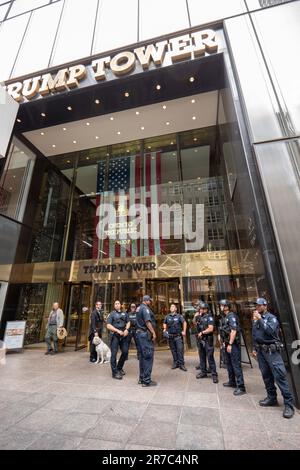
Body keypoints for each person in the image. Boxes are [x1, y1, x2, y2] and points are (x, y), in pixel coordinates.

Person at [252, 298, 294, 419]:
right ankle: (271, 398)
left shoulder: (271, 318)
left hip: (272, 352)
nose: (257, 308)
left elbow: (270, 331)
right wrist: (254, 348)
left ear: (265, 306)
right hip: (261, 351)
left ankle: (289, 405)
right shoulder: (256, 319)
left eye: (260, 306)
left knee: (279, 376)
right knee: (266, 376)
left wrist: (259, 319)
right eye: (257, 306)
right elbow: (255, 333)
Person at [219, 299, 246, 395]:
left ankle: (241, 387)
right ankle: (232, 381)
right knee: (229, 364)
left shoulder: (231, 316)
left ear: (226, 306)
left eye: (222, 305)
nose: (221, 307)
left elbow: (233, 331)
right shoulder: (224, 316)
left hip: (233, 345)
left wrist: (230, 344)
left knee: (236, 365)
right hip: (226, 343)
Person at [194, 301, 218, 383]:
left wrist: (202, 332)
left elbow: (211, 328)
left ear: (206, 309)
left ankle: (214, 374)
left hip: (208, 340)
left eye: (203, 309)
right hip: (200, 340)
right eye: (200, 308)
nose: (201, 310)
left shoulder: (209, 317)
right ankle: (203, 372)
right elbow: (194, 323)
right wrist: (195, 316)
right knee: (202, 357)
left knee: (210, 357)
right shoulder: (199, 317)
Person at [136, 295, 157, 387]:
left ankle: (142, 378)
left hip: (140, 335)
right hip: (144, 335)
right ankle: (146, 380)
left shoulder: (139, 308)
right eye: (150, 300)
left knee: (142, 357)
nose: (150, 302)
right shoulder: (145, 309)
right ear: (146, 301)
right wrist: (153, 332)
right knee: (148, 356)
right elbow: (147, 322)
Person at [106, 300, 130, 379]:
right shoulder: (111, 314)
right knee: (114, 354)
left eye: (118, 303)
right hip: (115, 336)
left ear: (120, 305)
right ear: (114, 305)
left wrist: (126, 329)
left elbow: (128, 322)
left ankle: (119, 368)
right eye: (115, 304)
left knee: (125, 352)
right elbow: (108, 325)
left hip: (124, 335)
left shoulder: (125, 313)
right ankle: (115, 373)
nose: (117, 305)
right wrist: (117, 330)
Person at [163, 303, 187, 371]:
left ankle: (181, 364)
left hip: (178, 336)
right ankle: (175, 363)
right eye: (171, 307)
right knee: (173, 350)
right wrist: (164, 329)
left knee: (180, 350)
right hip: (170, 336)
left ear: (176, 309)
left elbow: (184, 322)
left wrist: (184, 331)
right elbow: (164, 323)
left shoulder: (179, 316)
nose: (172, 307)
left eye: (173, 307)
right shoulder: (167, 316)